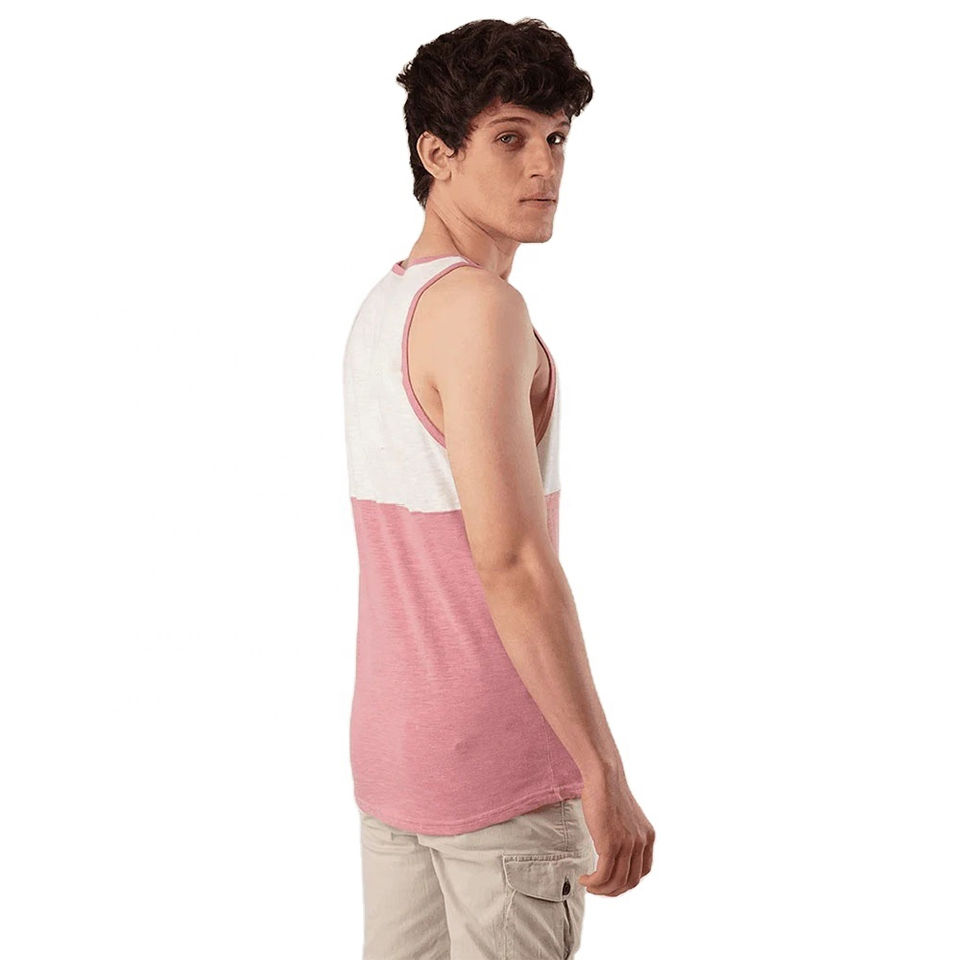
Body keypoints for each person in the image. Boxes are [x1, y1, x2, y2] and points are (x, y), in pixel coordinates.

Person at [341, 17, 655, 959]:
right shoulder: (482, 309)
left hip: (399, 759)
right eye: (510, 138)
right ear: (437, 153)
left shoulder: (386, 304)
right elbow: (512, 560)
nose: (544, 167)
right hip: (497, 773)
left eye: (557, 137)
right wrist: (601, 769)